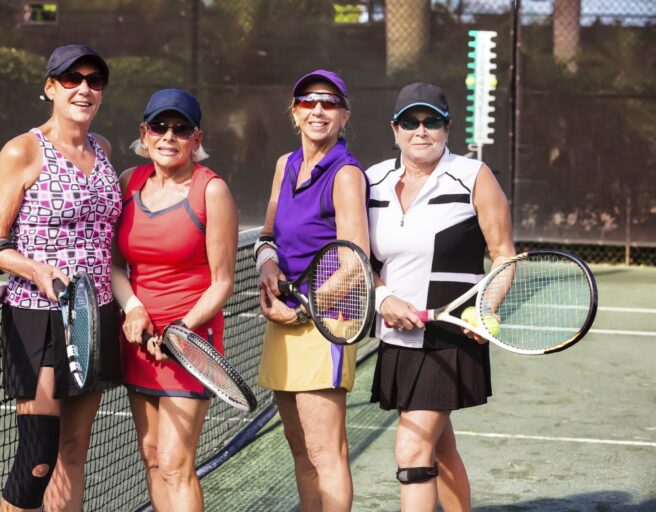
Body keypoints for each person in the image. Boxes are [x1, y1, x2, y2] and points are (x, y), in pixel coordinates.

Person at [0, 45, 121, 512]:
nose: (84, 88)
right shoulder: (23, 149)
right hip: (37, 318)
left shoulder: (105, 150)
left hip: (94, 314)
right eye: (72, 79)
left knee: (73, 453)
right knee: (37, 457)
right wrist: (34, 269)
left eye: (94, 80)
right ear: (50, 88)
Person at [367, 82, 515, 512]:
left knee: (412, 455)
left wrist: (486, 309)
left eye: (431, 121)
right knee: (440, 452)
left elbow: (504, 255)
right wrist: (383, 299)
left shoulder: (474, 176)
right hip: (397, 339)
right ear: (394, 129)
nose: (421, 130)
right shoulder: (372, 180)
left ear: (447, 128)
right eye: (410, 122)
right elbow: (363, 261)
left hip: (452, 336)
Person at [112, 89, 238, 510]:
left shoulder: (212, 191)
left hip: (189, 344)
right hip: (138, 340)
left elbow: (222, 282)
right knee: (151, 457)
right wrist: (133, 308)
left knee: (174, 463)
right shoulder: (129, 181)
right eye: (159, 127)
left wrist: (178, 334)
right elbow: (114, 266)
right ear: (144, 134)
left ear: (196, 138)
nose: (169, 136)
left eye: (180, 128)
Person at [256, 70, 370, 511]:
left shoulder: (345, 175)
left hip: (324, 321)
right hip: (283, 318)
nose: (318, 111)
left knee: (326, 453)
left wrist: (304, 312)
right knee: (300, 448)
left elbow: (355, 263)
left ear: (344, 116)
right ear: (295, 112)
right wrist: (266, 264)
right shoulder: (284, 166)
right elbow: (267, 235)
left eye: (329, 103)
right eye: (308, 102)